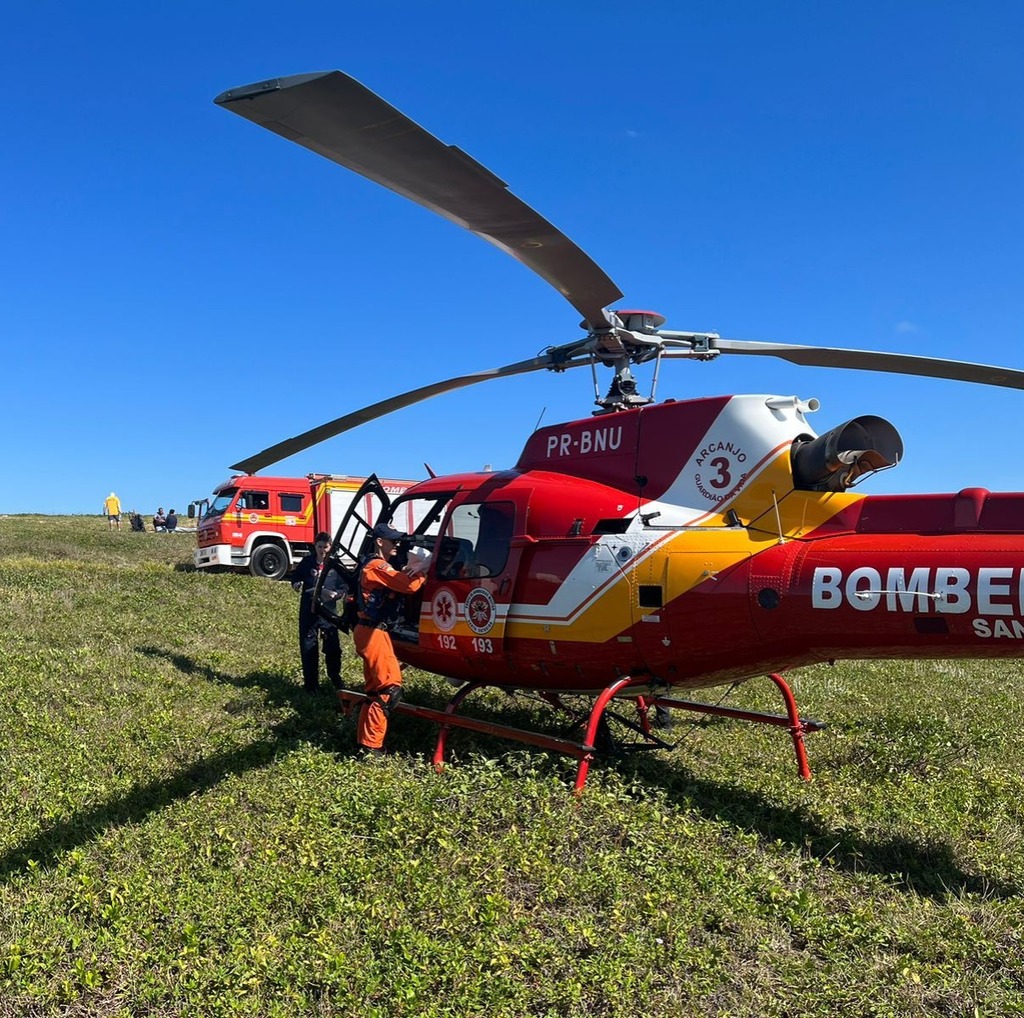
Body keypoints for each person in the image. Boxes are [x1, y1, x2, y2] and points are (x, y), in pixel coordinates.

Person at [352, 521, 427, 756]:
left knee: (375, 692)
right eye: (392, 540)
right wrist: (425, 568)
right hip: (372, 632)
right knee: (389, 689)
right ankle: (374, 748)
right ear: (379, 542)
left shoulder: (382, 566)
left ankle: (365, 743)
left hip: (374, 631)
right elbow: (409, 586)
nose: (397, 543)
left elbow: (396, 581)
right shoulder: (376, 566)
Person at [291, 532, 344, 693]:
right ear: (315, 546)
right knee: (308, 645)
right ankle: (311, 685)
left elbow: (344, 587)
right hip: (309, 609)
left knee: (332, 646)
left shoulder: (335, 564)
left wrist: (337, 594)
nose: (322, 550)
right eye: (319, 546)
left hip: (328, 610)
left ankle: (335, 677)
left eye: (325, 547)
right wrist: (296, 584)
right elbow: (295, 577)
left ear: (330, 547)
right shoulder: (307, 562)